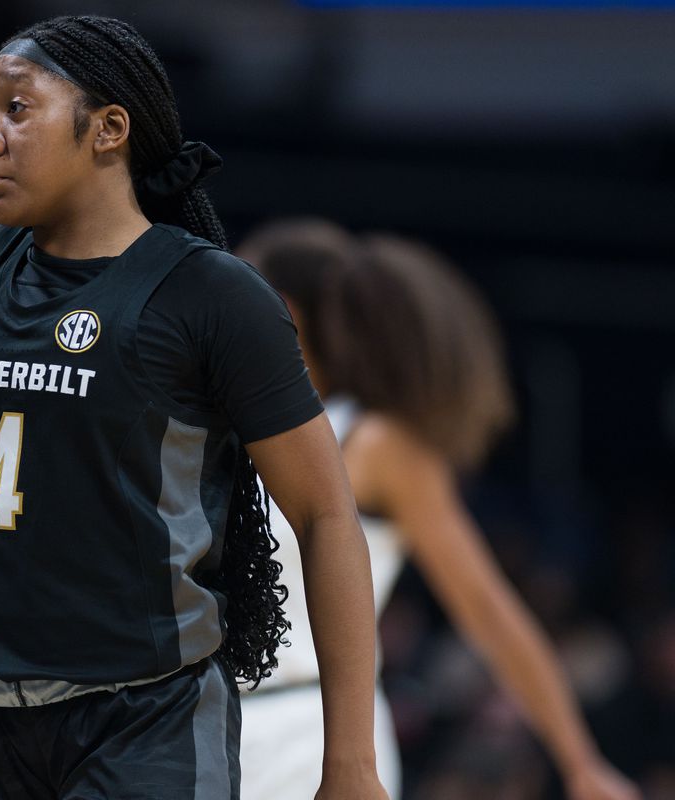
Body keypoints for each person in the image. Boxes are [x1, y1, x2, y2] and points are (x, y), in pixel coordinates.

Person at [0, 15, 388, 800]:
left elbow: (325, 514)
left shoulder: (210, 294)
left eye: (17, 108)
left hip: (145, 717)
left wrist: (350, 764)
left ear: (108, 129)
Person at [236, 219, 641, 800]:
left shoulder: (376, 443)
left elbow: (488, 609)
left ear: (286, 311)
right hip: (203, 723)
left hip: (312, 732)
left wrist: (581, 763)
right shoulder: (232, 426)